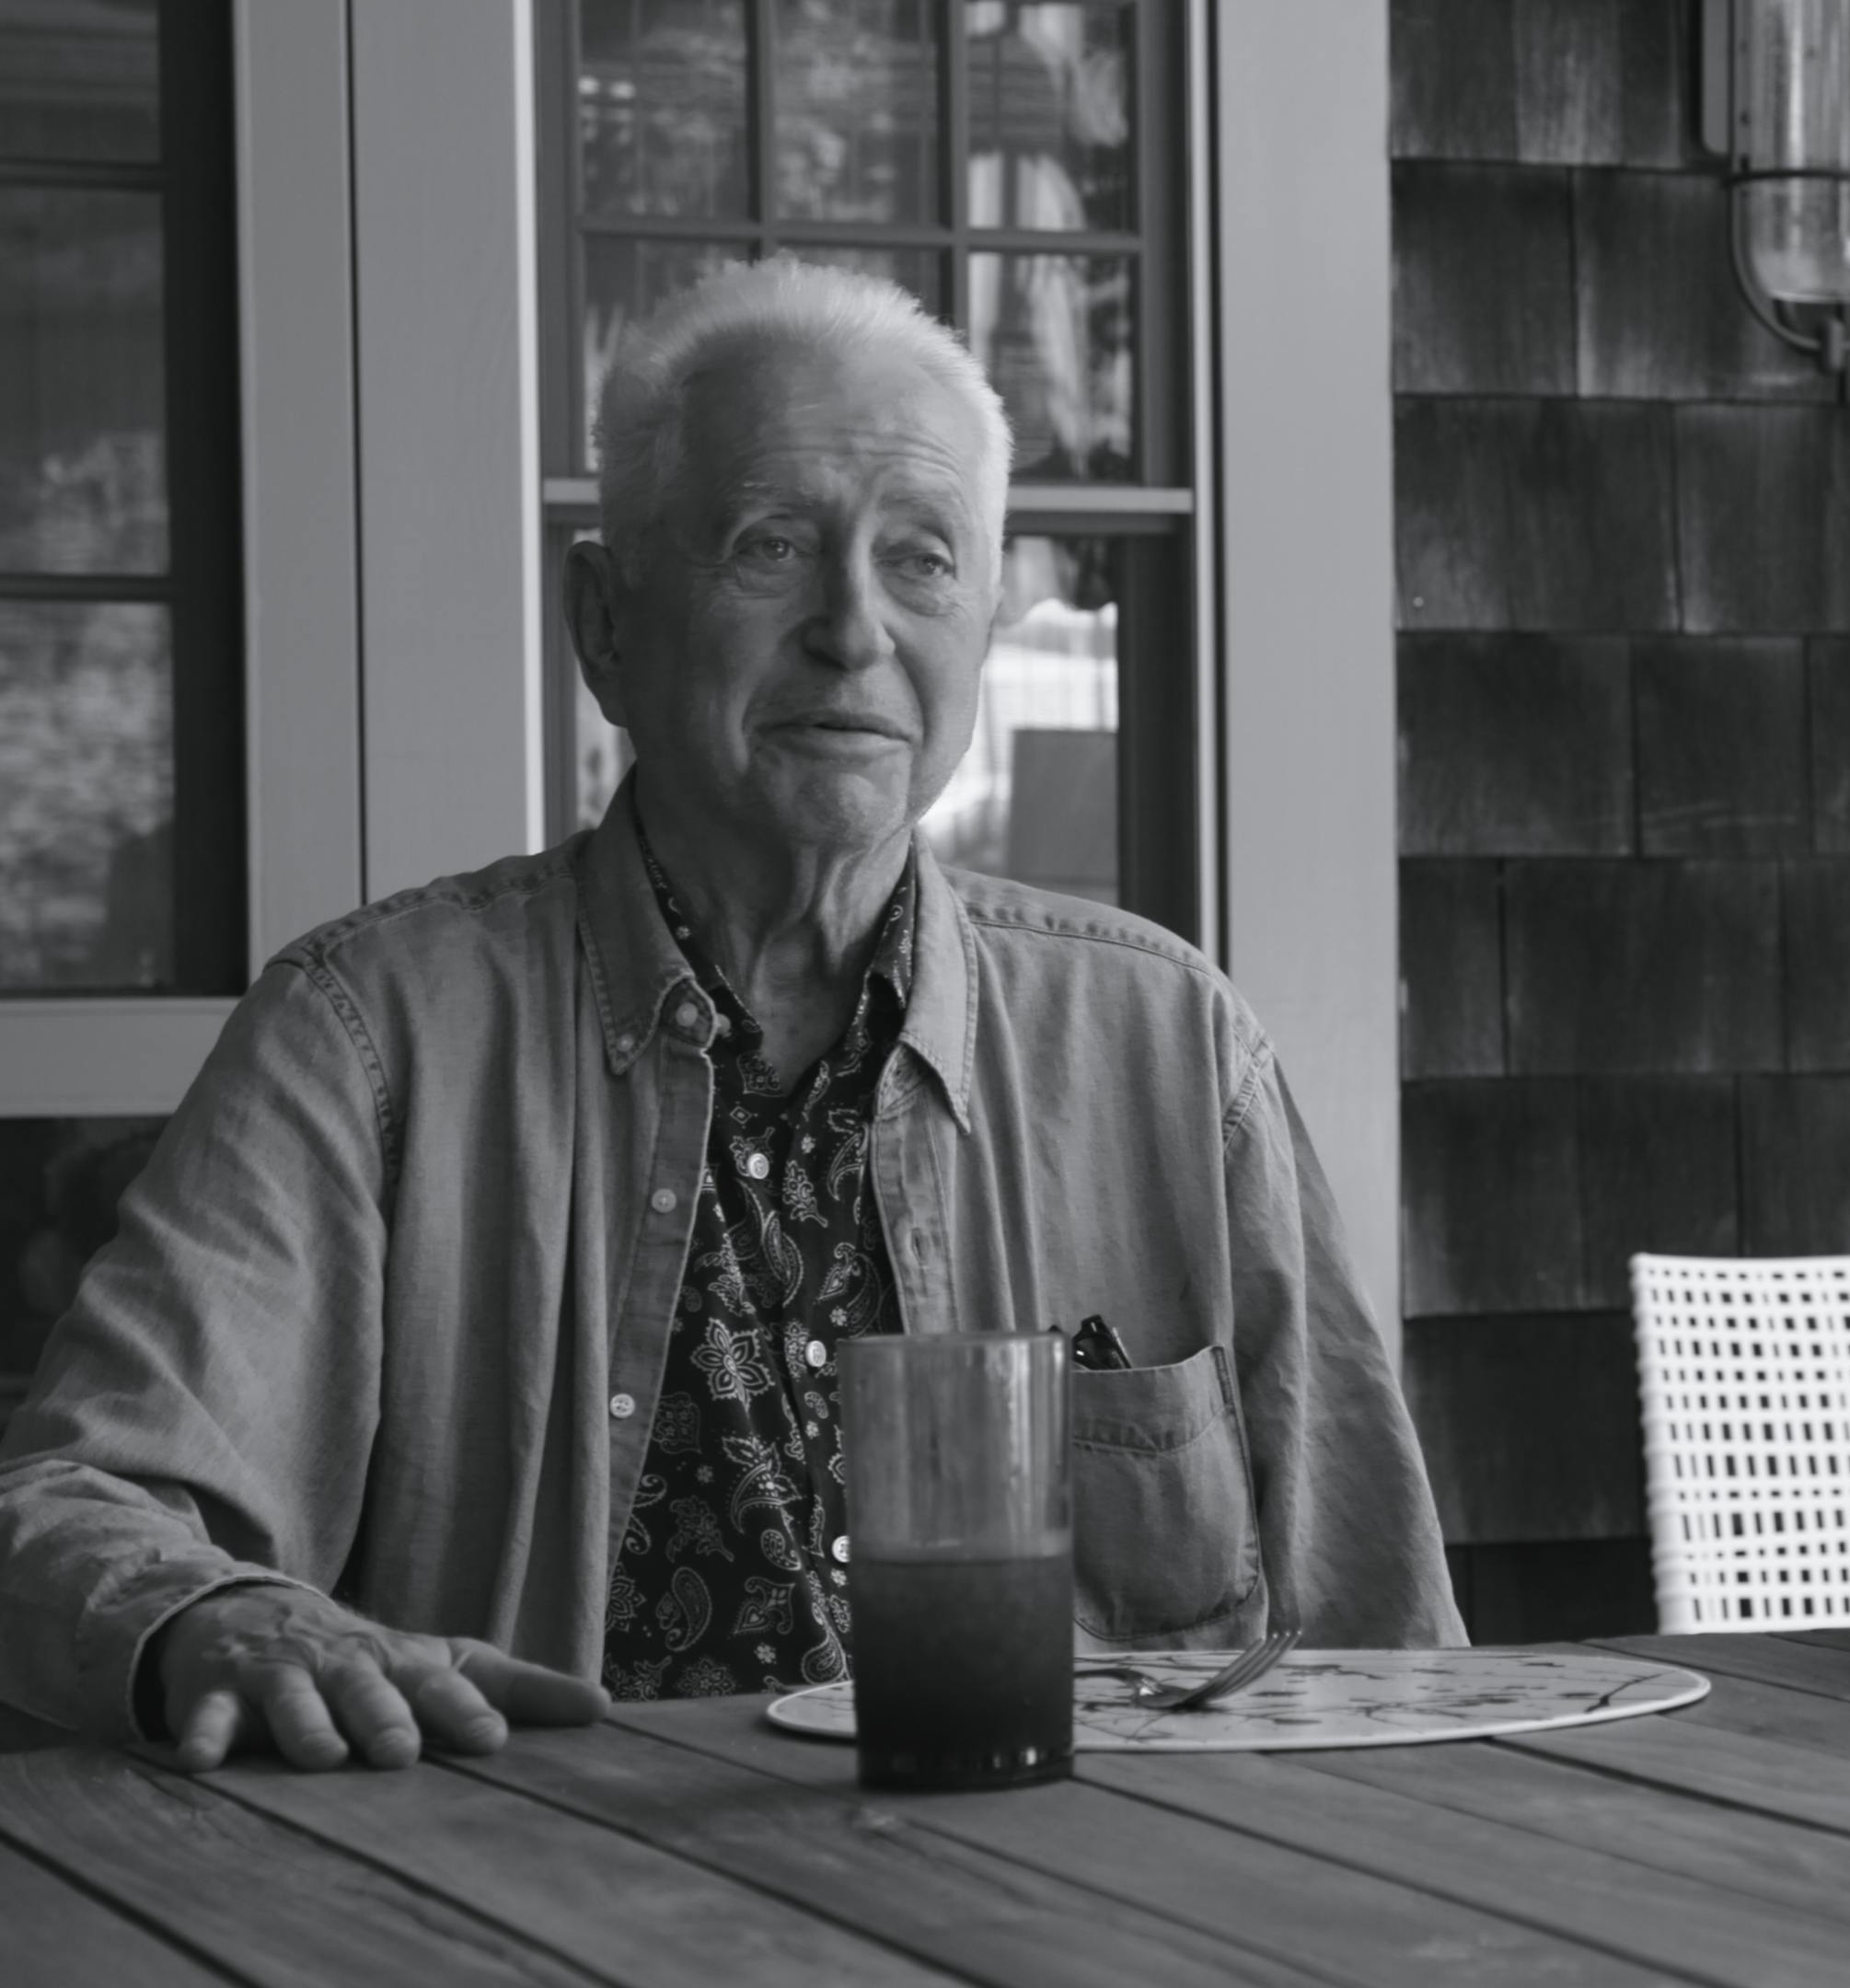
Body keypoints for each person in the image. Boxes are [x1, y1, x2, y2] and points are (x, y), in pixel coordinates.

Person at [0, 262, 1459, 1773]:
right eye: (772, 547)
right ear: (606, 625)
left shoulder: (1171, 1049)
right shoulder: (369, 1044)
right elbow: (71, 1507)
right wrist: (212, 1620)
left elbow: (1390, 1652)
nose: (853, 630)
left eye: (924, 562)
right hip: (543, 1911)